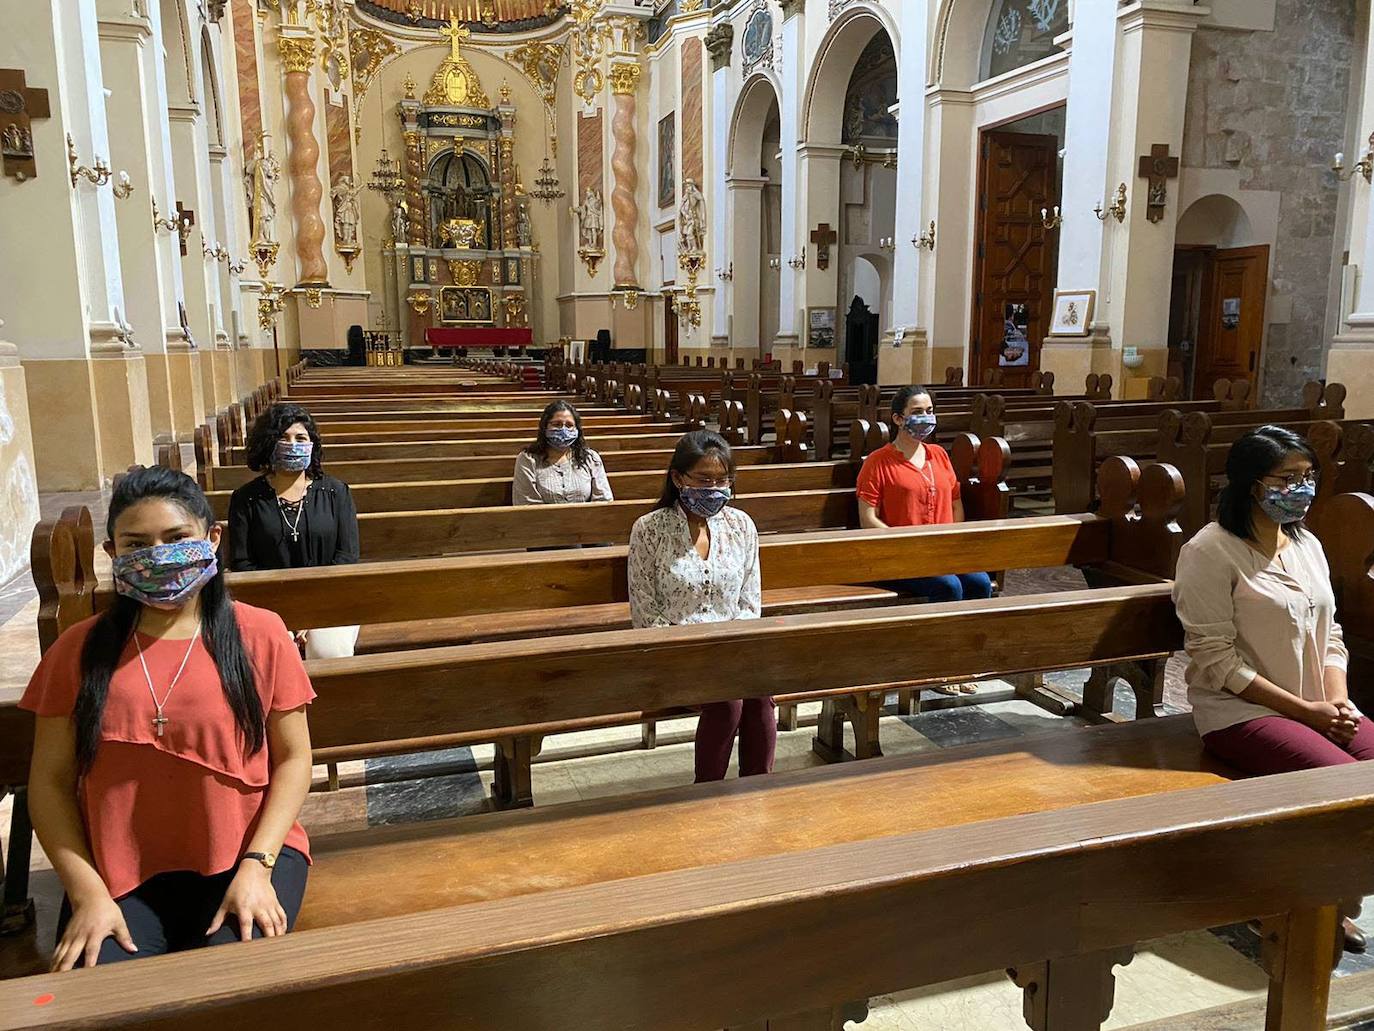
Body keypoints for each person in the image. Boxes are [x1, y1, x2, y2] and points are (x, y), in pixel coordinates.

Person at [21, 466, 314, 970]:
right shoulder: (80, 650)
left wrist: (257, 866)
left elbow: (294, 758)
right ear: (114, 555)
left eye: (176, 538)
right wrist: (87, 893)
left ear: (212, 538)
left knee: (236, 985)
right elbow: (48, 782)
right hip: (118, 871)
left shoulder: (260, 634)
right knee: (104, 991)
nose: (157, 555)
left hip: (247, 853)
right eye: (136, 544)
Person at [1174, 426, 1370, 953]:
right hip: (1239, 711)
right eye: (1288, 478)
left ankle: (1335, 895)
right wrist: (1306, 713)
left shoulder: (1307, 544)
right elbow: (1215, 660)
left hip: (1315, 701)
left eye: (1308, 477)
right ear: (1250, 482)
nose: (1301, 489)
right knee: (1346, 785)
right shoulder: (1210, 551)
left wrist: (1336, 700)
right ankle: (1297, 902)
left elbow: (1331, 633)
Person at [628, 430, 772, 782]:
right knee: (727, 699)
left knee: (759, 694)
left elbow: (750, 601)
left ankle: (760, 786)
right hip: (676, 652)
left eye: (723, 480)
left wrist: (732, 646)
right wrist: (695, 651)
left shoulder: (741, 525)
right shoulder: (649, 529)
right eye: (704, 479)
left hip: (733, 647)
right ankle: (707, 793)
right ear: (678, 478)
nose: (714, 489)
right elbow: (646, 613)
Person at [856, 385, 992, 693]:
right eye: (917, 412)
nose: (926, 418)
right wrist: (906, 545)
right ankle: (936, 668)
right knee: (948, 586)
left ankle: (964, 665)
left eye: (929, 411)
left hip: (942, 552)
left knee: (980, 582)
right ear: (898, 419)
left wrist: (951, 539)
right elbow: (868, 519)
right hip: (899, 556)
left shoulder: (939, 455)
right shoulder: (878, 462)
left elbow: (956, 501)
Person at [228, 403, 360, 659]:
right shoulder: (246, 499)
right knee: (275, 651)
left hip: (332, 599)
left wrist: (312, 615)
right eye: (283, 438)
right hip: (267, 604)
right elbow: (243, 563)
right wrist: (286, 615)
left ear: (312, 444)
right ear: (268, 444)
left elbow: (346, 558)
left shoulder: (336, 492)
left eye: (300, 438)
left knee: (328, 650)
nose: (293, 444)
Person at [512, 401, 613, 506]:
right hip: (542, 521)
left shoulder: (590, 458)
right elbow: (526, 504)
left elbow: (603, 500)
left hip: (588, 520)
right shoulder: (528, 459)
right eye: (557, 424)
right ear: (544, 427)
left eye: (569, 425)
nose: (564, 430)